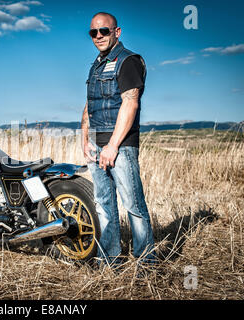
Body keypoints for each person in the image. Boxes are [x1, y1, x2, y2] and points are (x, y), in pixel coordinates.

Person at [81, 12, 156, 268]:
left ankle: (147, 264)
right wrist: (85, 140)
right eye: (94, 32)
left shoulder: (128, 61)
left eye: (104, 31)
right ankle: (109, 259)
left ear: (117, 32)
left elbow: (130, 102)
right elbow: (90, 105)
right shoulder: (96, 64)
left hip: (120, 146)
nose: (98, 36)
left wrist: (112, 146)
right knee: (103, 205)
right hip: (96, 145)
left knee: (133, 205)